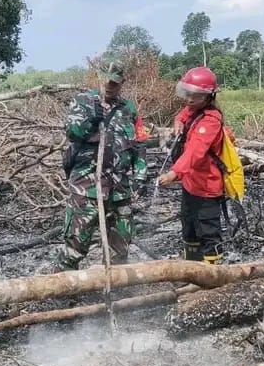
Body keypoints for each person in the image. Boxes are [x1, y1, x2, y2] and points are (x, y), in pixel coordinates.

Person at [53, 60, 148, 270]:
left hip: (119, 190)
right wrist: (91, 121)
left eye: (114, 82)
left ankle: (115, 293)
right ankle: (64, 292)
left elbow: (139, 145)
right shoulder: (83, 102)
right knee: (75, 248)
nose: (109, 85)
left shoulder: (128, 109)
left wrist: (140, 176)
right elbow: (72, 132)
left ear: (122, 82)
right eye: (105, 80)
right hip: (87, 188)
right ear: (99, 78)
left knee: (121, 248)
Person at [158, 67, 225, 263]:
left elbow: (195, 152)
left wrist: (173, 173)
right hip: (190, 185)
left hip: (206, 188)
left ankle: (211, 277)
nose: (189, 99)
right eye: (188, 94)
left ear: (208, 96)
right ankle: (192, 267)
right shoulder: (193, 109)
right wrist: (177, 122)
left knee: (208, 232)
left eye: (195, 96)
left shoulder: (211, 121)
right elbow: (183, 114)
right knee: (189, 227)